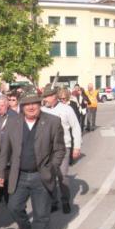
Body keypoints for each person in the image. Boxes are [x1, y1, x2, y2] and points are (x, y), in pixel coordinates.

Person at [0, 90, 65, 229]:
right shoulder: (13, 122)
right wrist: (0, 173)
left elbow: (59, 149)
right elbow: (5, 150)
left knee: (41, 215)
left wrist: (52, 168)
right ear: (22, 107)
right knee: (14, 207)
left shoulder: (52, 122)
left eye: (34, 103)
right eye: (27, 104)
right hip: (19, 176)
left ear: (40, 104)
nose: (31, 107)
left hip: (41, 176)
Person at [42, 85, 81, 213]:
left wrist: (77, 147)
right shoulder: (42, 110)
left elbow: (76, 127)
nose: (45, 99)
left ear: (54, 96)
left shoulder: (67, 109)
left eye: (47, 96)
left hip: (64, 147)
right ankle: (53, 201)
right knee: (50, 176)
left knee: (62, 176)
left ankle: (65, 200)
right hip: (47, 149)